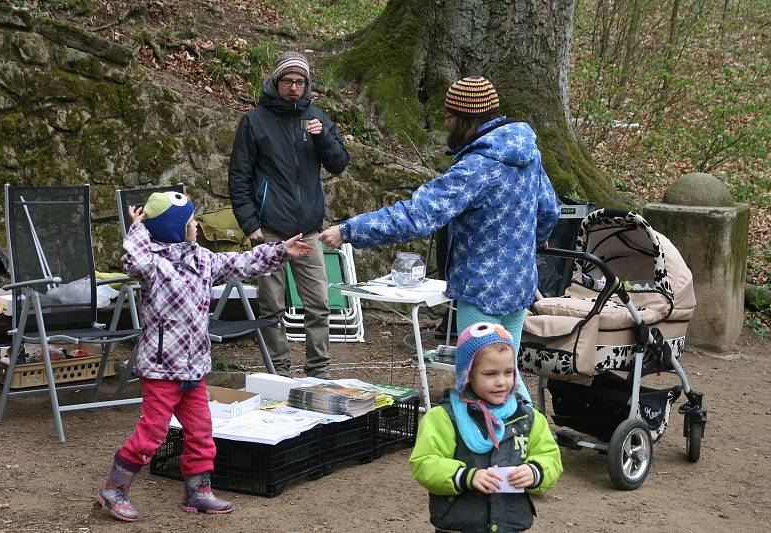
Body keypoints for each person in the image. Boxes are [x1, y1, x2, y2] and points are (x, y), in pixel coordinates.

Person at [319, 76, 560, 400]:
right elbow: (549, 210)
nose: (445, 120)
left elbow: (418, 215)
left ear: (467, 119)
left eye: (450, 115)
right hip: (519, 285)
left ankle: (493, 447)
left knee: (481, 383)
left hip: (481, 291)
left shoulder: (477, 167)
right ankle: (526, 445)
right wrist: (531, 242)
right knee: (506, 376)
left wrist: (349, 230)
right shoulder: (527, 153)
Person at [96, 191, 313, 522]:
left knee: (201, 432)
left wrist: (280, 251)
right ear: (175, 228)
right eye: (190, 221)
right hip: (161, 370)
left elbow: (241, 262)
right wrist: (138, 228)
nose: (195, 224)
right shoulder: (153, 265)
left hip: (194, 369)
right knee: (153, 432)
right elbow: (134, 261)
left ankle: (198, 491)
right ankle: (115, 489)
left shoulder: (203, 260)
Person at [228, 50, 350, 379]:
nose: (294, 88)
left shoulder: (317, 118)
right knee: (271, 307)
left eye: (300, 82)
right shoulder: (254, 122)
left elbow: (339, 163)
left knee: (319, 304)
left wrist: (322, 137)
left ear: (307, 84)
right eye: (288, 81)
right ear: (276, 82)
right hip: (270, 232)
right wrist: (250, 223)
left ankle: (319, 371)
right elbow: (238, 177)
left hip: (309, 230)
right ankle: (278, 370)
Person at [409, 322, 562, 532]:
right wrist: (467, 476)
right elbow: (425, 462)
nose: (501, 382)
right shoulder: (443, 418)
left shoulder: (528, 418)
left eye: (508, 372)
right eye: (490, 374)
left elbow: (550, 457)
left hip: (510, 523)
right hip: (460, 524)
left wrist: (535, 471)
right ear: (468, 374)